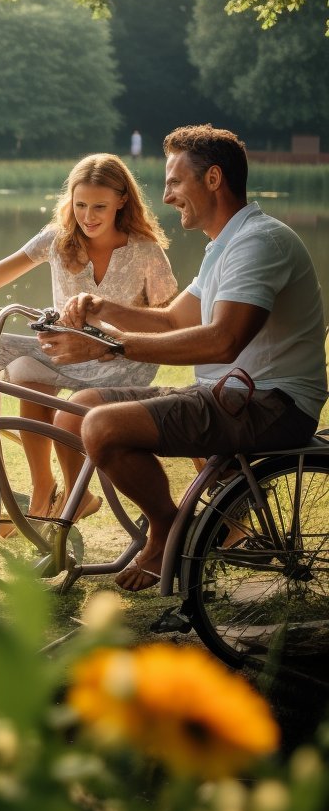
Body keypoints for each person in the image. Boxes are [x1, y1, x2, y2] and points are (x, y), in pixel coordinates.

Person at [46, 124, 327, 591]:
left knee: (101, 426)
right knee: (81, 409)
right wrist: (102, 310)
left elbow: (223, 341)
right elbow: (174, 320)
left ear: (213, 179)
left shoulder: (259, 243)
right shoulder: (224, 245)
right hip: (228, 394)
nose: (168, 194)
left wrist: (111, 346)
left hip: (271, 402)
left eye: (175, 181)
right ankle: (179, 527)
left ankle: (167, 530)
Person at [0, 153, 177, 521]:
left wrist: (114, 336)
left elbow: (169, 323)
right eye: (80, 205)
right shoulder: (57, 239)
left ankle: (72, 492)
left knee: (30, 370)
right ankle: (10, 480)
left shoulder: (145, 251)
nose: (88, 216)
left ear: (122, 201)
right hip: (65, 350)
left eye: (99, 207)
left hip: (122, 362)